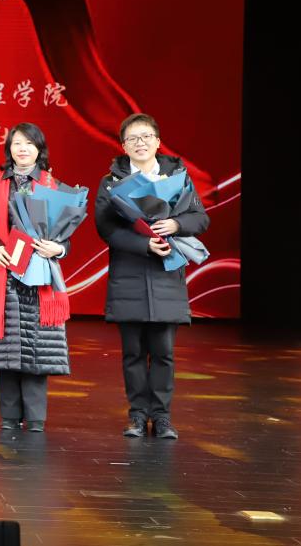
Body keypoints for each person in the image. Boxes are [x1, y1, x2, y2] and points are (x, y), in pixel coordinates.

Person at [94, 113, 209, 439]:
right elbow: (105, 228)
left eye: (146, 137)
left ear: (158, 142)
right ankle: (136, 415)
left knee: (163, 352)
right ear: (123, 146)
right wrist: (144, 244)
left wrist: (176, 224)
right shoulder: (111, 182)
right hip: (129, 275)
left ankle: (161, 417)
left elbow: (200, 218)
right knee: (132, 352)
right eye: (132, 138)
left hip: (166, 276)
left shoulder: (178, 177)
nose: (140, 143)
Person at [0, 123, 75, 433]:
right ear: (9, 149)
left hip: (39, 275)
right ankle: (9, 416)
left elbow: (65, 235)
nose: (23, 148)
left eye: (29, 143)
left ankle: (36, 418)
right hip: (5, 274)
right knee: (5, 349)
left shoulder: (53, 186)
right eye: (17, 143)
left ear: (39, 149)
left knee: (37, 349)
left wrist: (58, 248)